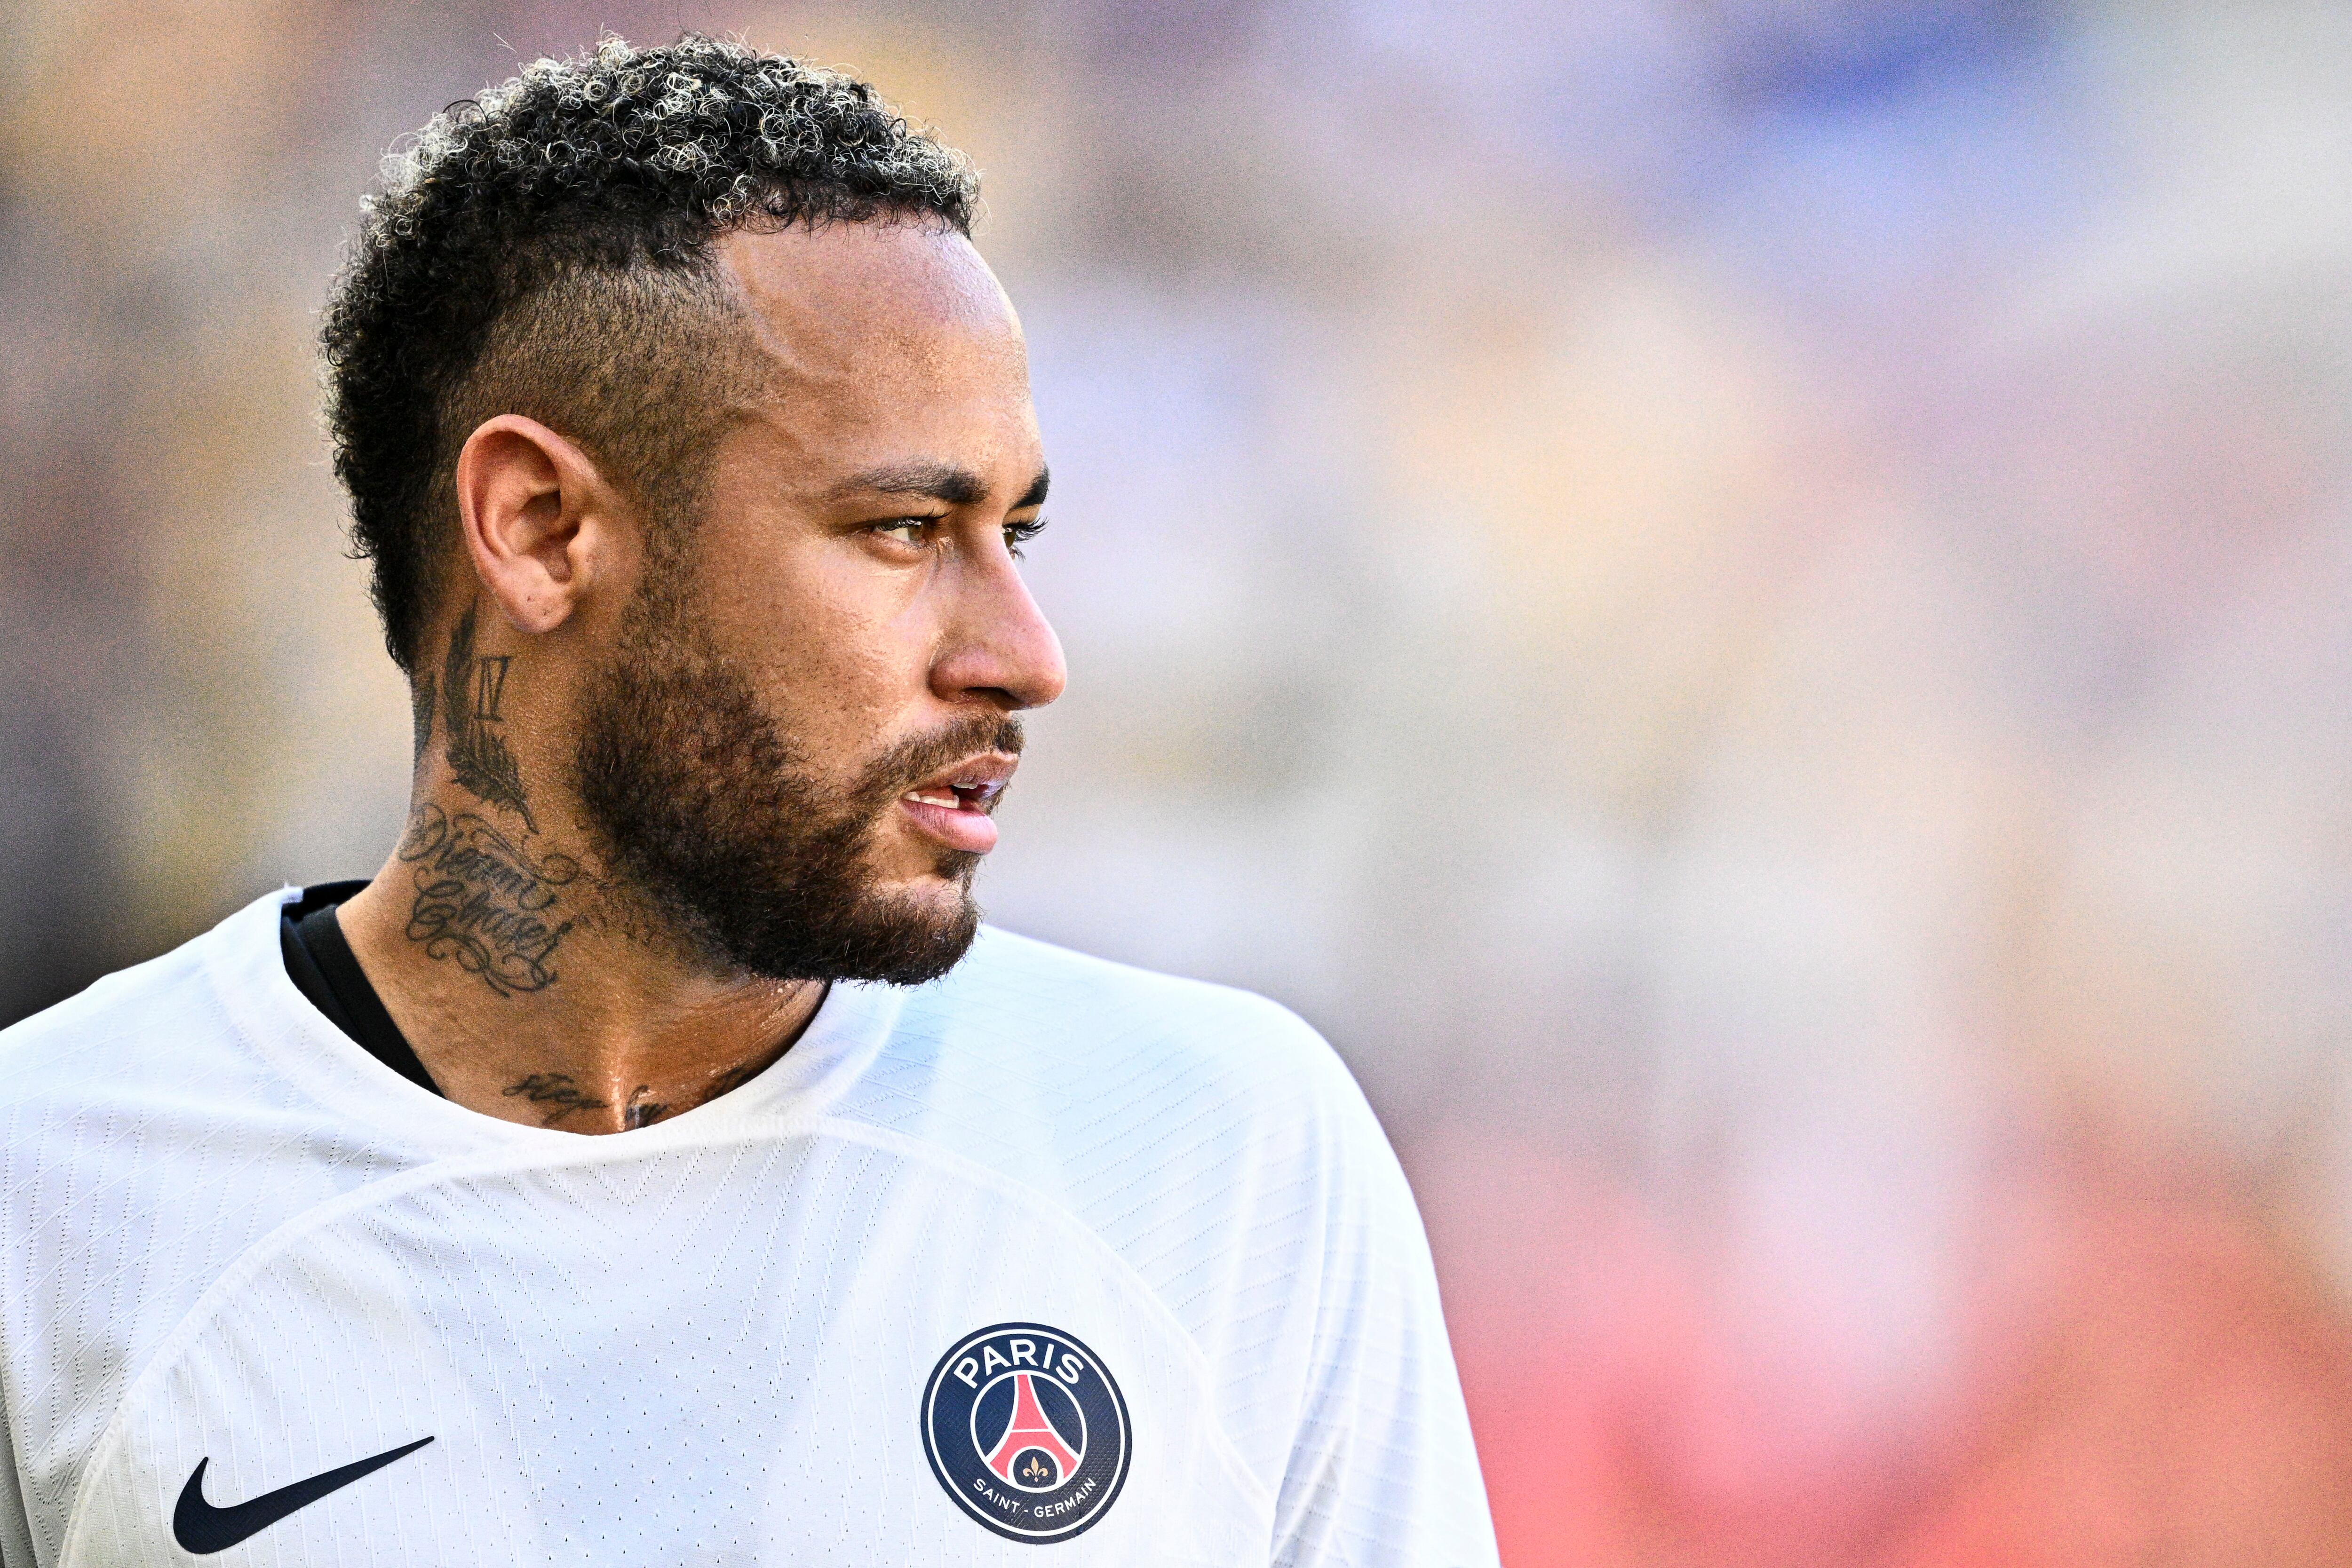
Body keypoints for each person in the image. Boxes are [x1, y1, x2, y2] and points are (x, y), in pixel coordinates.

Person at [0, 34, 1495, 1567]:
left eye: (1016, 535)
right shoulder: (48, 1194)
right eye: (906, 529)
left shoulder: (1221, 1154)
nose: (1027, 659)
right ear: (541, 527)